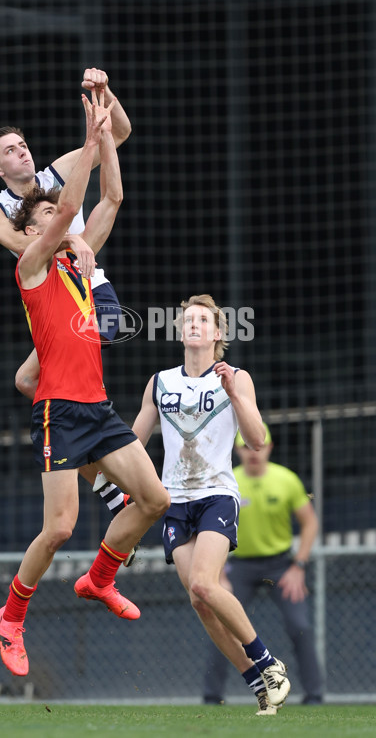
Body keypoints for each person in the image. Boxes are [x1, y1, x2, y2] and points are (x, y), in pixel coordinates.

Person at [0, 89, 170, 676]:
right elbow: (67, 212)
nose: (54, 215)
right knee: (59, 527)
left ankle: (100, 579)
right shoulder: (34, 266)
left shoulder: (80, 263)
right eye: (42, 215)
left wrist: (101, 133)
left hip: (98, 408)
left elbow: (112, 196)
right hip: (61, 411)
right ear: (35, 231)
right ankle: (12, 616)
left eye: (54, 211)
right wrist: (91, 139)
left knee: (155, 499)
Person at [0, 68, 133, 531]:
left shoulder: (57, 173)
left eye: (22, 144)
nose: (20, 151)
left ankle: (118, 449)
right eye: (9, 151)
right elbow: (20, 244)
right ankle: (108, 484)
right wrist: (70, 240)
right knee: (27, 382)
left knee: (95, 346)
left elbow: (119, 132)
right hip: (48, 302)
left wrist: (104, 96)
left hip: (88, 291)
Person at [132, 294, 291, 716]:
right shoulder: (159, 382)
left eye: (203, 319)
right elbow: (133, 446)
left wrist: (234, 395)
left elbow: (257, 440)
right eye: (188, 319)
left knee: (205, 583)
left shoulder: (237, 377)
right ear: (181, 331)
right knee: (200, 601)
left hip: (217, 494)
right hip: (174, 502)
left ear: (218, 333)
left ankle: (268, 660)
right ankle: (259, 683)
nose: (194, 324)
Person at [202, 424, 324, 706]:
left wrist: (299, 566)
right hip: (239, 566)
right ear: (236, 450)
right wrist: (218, 574)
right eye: (245, 447)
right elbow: (212, 528)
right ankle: (212, 698)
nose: (253, 453)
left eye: (258, 446)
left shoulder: (287, 480)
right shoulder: (227, 480)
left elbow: (310, 523)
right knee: (221, 624)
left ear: (269, 447)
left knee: (300, 625)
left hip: (281, 566)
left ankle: (315, 697)